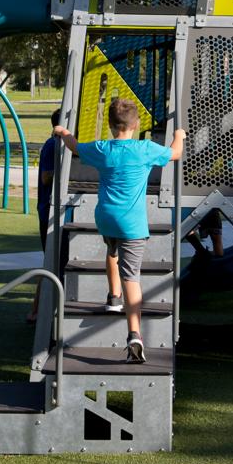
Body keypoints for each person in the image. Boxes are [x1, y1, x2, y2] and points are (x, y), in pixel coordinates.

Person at [53, 98, 184, 363]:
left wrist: (63, 132)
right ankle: (134, 333)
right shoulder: (145, 149)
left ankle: (113, 297)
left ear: (111, 126)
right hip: (132, 223)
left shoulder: (102, 149)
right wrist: (179, 135)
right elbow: (175, 153)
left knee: (112, 251)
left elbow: (75, 147)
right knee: (132, 276)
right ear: (136, 125)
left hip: (106, 218)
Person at [26, 109, 63, 323]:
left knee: (54, 262)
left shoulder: (58, 144)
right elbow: (46, 177)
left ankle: (42, 310)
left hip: (53, 210)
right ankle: (36, 311)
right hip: (47, 211)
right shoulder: (52, 145)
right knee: (50, 262)